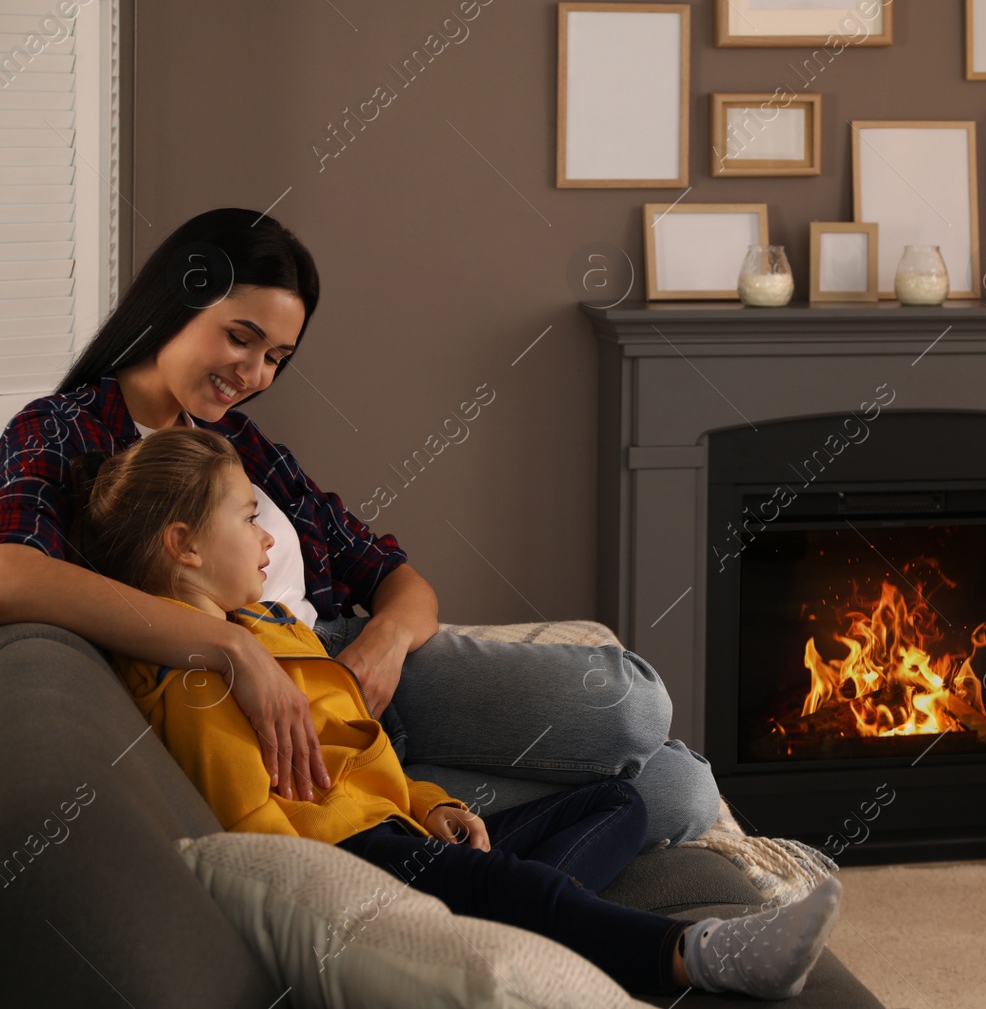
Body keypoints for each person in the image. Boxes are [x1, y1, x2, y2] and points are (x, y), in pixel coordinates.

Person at [0, 207, 721, 849]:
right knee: (666, 771)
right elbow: (13, 572)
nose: (253, 372)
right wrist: (229, 646)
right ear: (178, 299)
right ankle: (428, 833)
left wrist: (387, 641)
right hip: (282, 739)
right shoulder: (64, 429)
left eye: (277, 358)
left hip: (359, 678)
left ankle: (438, 824)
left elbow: (395, 576)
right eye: (241, 339)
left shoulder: (244, 447)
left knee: (649, 730)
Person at [73, 425, 842, 999]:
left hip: (397, 827)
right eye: (247, 519)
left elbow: (365, 755)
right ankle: (705, 953)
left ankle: (511, 908)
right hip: (357, 859)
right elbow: (253, 828)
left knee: (623, 800)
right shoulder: (199, 678)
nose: (266, 537)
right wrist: (358, 895)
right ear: (186, 546)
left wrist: (433, 803)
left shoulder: (270, 628)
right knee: (523, 884)